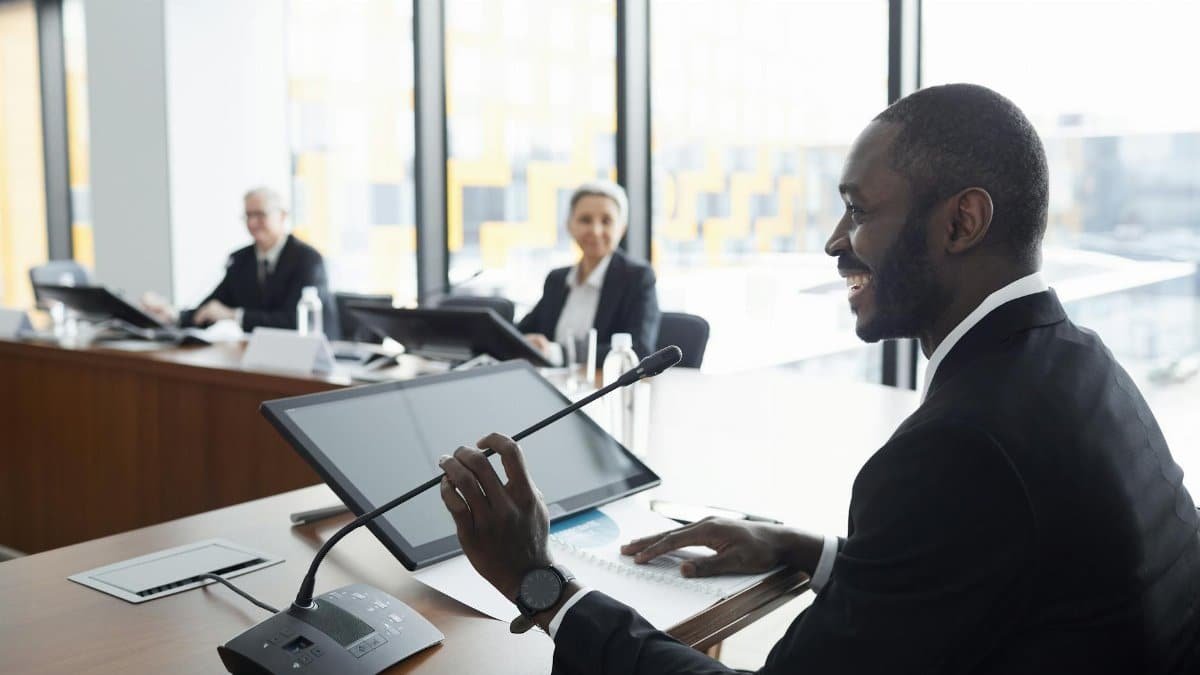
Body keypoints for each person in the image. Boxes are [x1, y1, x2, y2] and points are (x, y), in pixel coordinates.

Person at [434, 84, 1200, 674]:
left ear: (961, 223)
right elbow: (978, 576)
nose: (836, 242)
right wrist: (805, 549)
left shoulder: (961, 445)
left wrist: (542, 583)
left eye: (858, 210)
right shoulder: (1080, 364)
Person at [142, 187, 338, 337]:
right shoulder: (241, 259)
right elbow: (212, 307)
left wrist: (234, 315)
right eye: (248, 216)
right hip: (261, 359)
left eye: (260, 215)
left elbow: (295, 321)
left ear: (283, 216)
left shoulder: (307, 259)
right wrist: (172, 315)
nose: (253, 223)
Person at [517, 180, 660, 363]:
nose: (595, 230)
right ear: (570, 225)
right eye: (585, 220)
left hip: (603, 387)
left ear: (621, 228)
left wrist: (559, 354)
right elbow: (522, 332)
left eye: (606, 221)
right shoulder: (557, 279)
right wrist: (525, 341)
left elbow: (640, 349)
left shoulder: (637, 278)